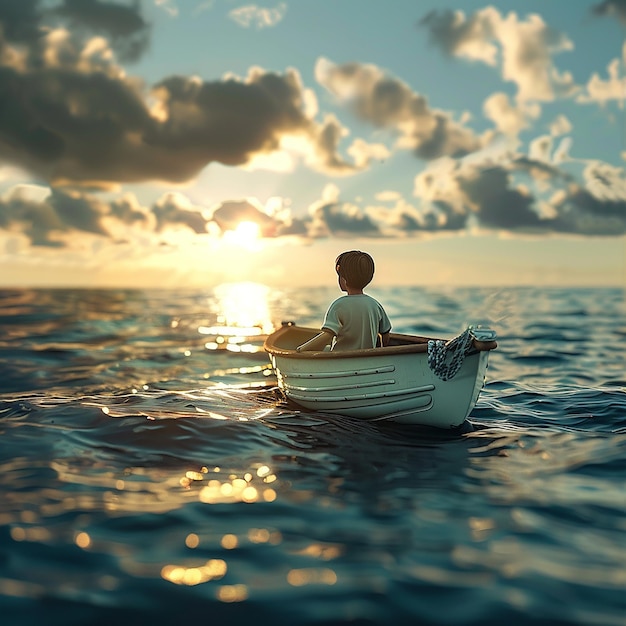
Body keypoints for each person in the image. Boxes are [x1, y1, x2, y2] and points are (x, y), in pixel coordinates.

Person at [296, 250, 392, 352]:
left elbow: (327, 336)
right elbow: (385, 335)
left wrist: (302, 350)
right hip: (366, 359)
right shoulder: (375, 305)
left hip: (341, 360)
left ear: (344, 279)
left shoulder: (339, 306)